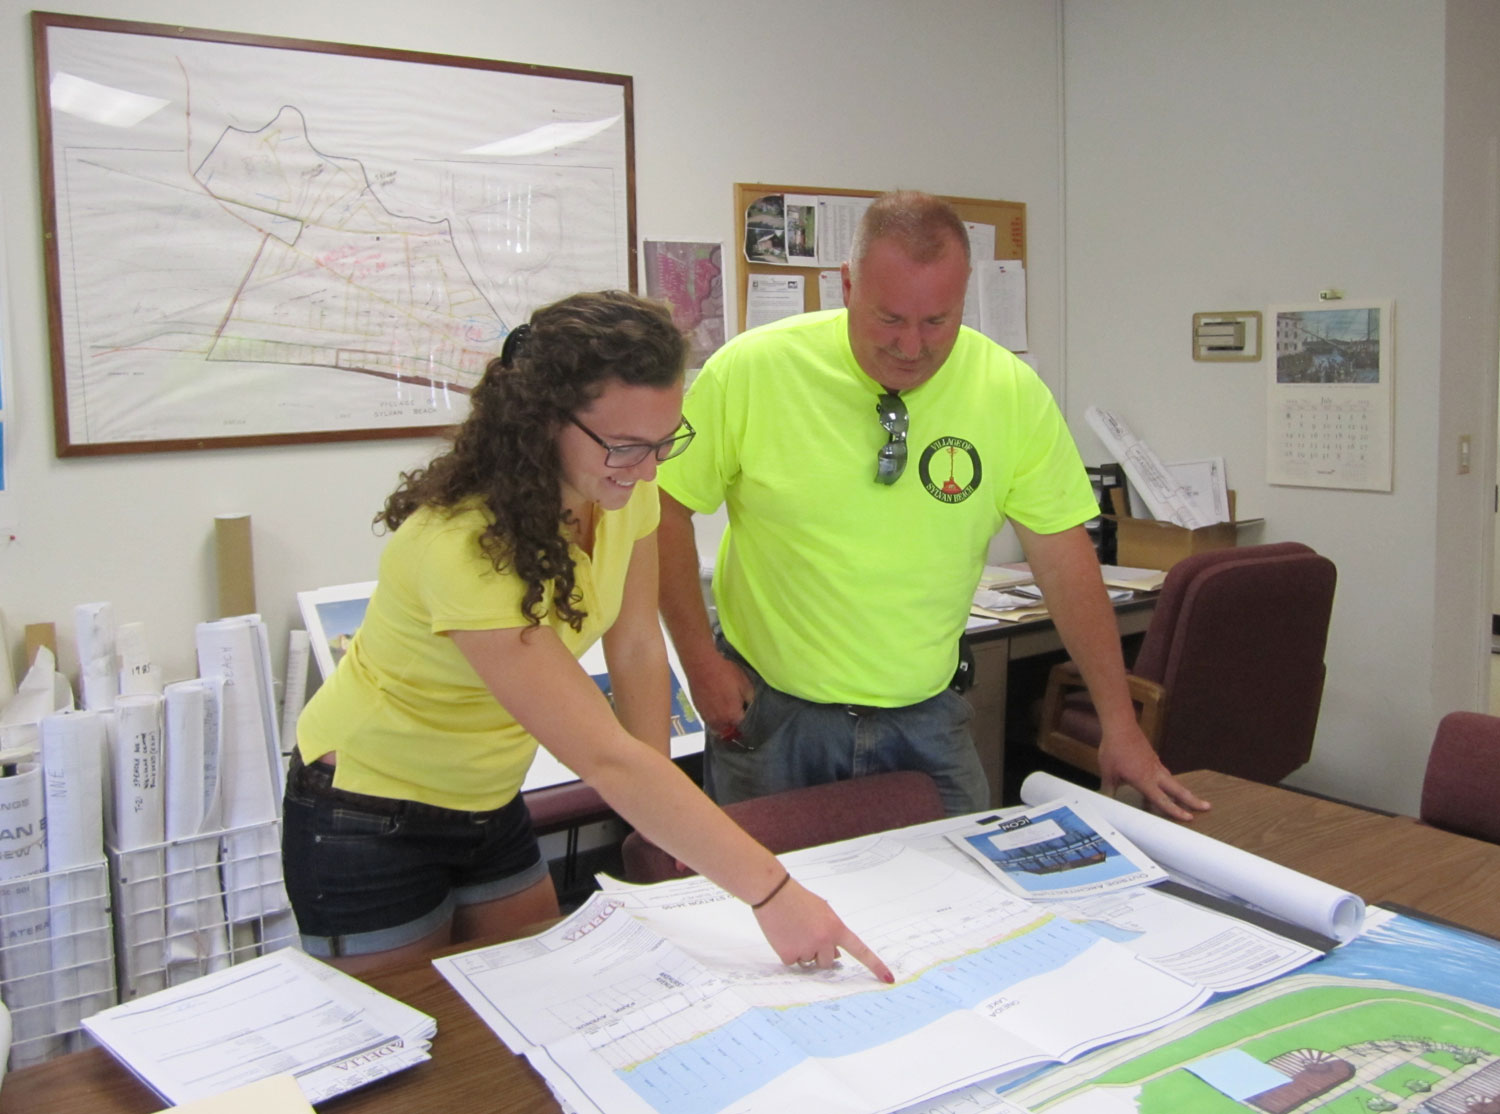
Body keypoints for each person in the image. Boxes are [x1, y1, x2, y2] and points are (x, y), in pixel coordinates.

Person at [282, 290, 890, 983]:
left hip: (486, 800)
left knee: (534, 999)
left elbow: (635, 649)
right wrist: (774, 894)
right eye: (627, 447)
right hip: (369, 808)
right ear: (543, 421)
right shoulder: (463, 548)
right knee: (421, 1041)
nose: (650, 469)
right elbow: (606, 759)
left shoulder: (624, 494)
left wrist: (658, 822)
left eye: (665, 442)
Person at [656, 192, 1210, 822]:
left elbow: (1064, 560)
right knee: (764, 904)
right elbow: (664, 512)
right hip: (774, 714)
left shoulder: (1008, 391)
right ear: (846, 285)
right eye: (889, 319)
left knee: (969, 902)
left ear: (965, 295)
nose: (912, 347)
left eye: (936, 321)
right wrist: (700, 662)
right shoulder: (751, 372)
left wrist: (1120, 724)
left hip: (926, 717)